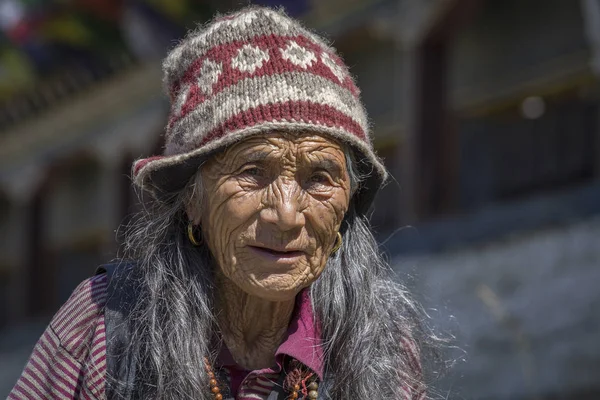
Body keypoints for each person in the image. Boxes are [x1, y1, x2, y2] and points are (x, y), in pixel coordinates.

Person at [9, 6, 437, 400]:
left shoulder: (381, 347)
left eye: (319, 179)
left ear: (347, 207)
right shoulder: (104, 324)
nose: (287, 215)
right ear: (192, 200)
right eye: (252, 173)